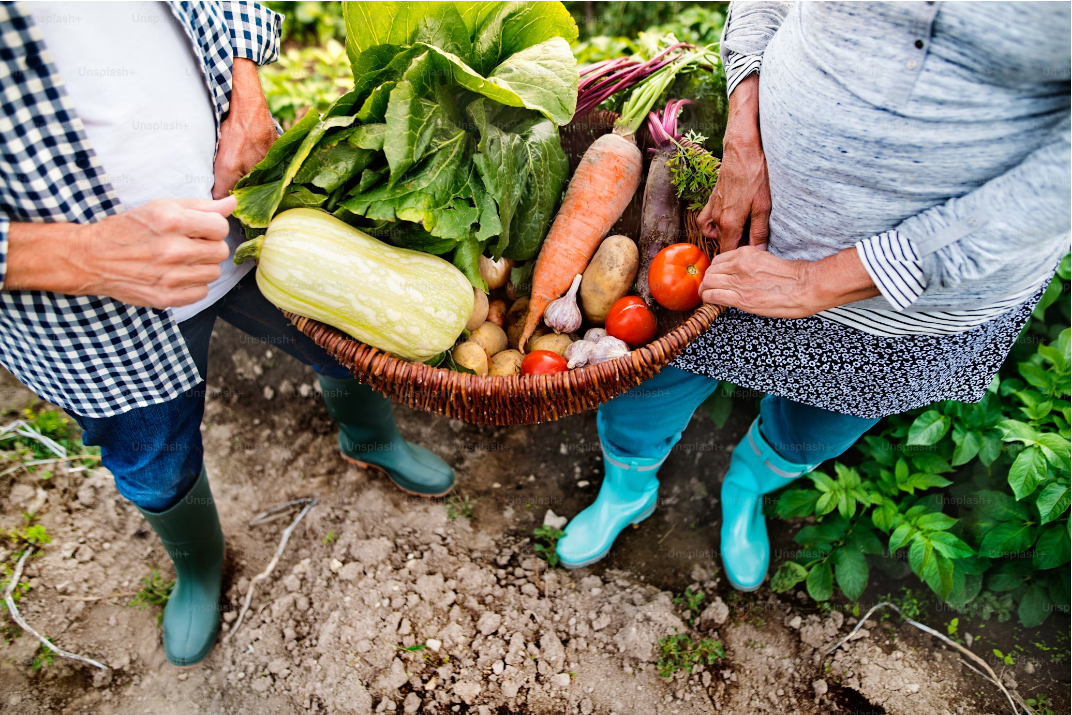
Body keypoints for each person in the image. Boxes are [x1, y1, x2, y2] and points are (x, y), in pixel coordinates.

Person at [556, 2, 1070, 590]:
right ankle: (628, 490)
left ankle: (744, 488)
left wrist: (815, 282)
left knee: (812, 430)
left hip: (915, 305)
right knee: (644, 381)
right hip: (738, 231)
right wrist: (743, 135)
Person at [0, 2, 453, 667]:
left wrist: (247, 93)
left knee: (351, 337)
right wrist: (82, 255)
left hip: (255, 207)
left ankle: (370, 437)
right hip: (82, 311)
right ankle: (199, 567)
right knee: (153, 454)